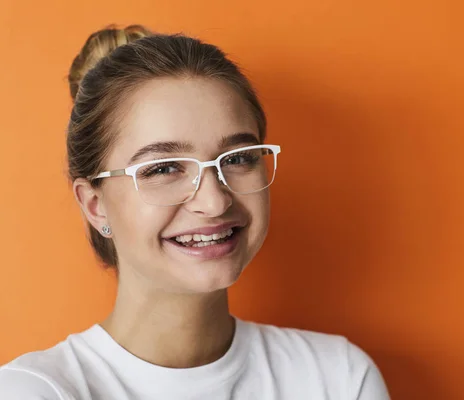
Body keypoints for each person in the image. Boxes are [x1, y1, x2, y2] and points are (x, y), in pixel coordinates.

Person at [0, 25, 390, 399]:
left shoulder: (338, 378)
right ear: (95, 205)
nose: (215, 201)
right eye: (163, 168)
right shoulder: (36, 391)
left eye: (237, 158)